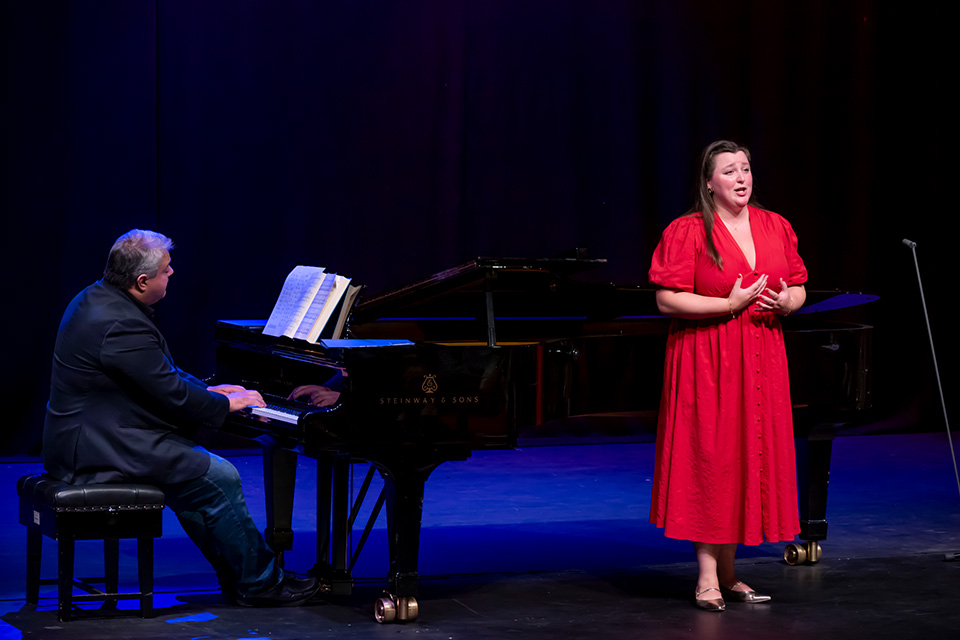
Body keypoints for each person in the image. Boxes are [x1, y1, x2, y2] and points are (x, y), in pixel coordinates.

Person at [42, 229, 320, 607]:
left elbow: (158, 373)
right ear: (142, 281)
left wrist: (210, 392)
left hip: (99, 435)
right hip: (99, 446)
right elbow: (168, 391)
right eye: (166, 270)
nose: (172, 274)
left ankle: (239, 575)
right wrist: (224, 406)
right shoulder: (119, 322)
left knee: (195, 482)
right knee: (218, 476)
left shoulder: (100, 299)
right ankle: (261, 583)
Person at [648, 140, 807, 611]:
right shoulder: (688, 231)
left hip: (762, 354)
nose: (742, 178)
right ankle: (706, 576)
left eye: (746, 169)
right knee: (712, 456)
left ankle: (732, 571)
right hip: (708, 359)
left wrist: (788, 303)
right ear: (709, 183)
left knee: (748, 452)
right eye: (730, 171)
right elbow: (666, 299)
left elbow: (797, 283)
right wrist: (728, 304)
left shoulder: (774, 225)